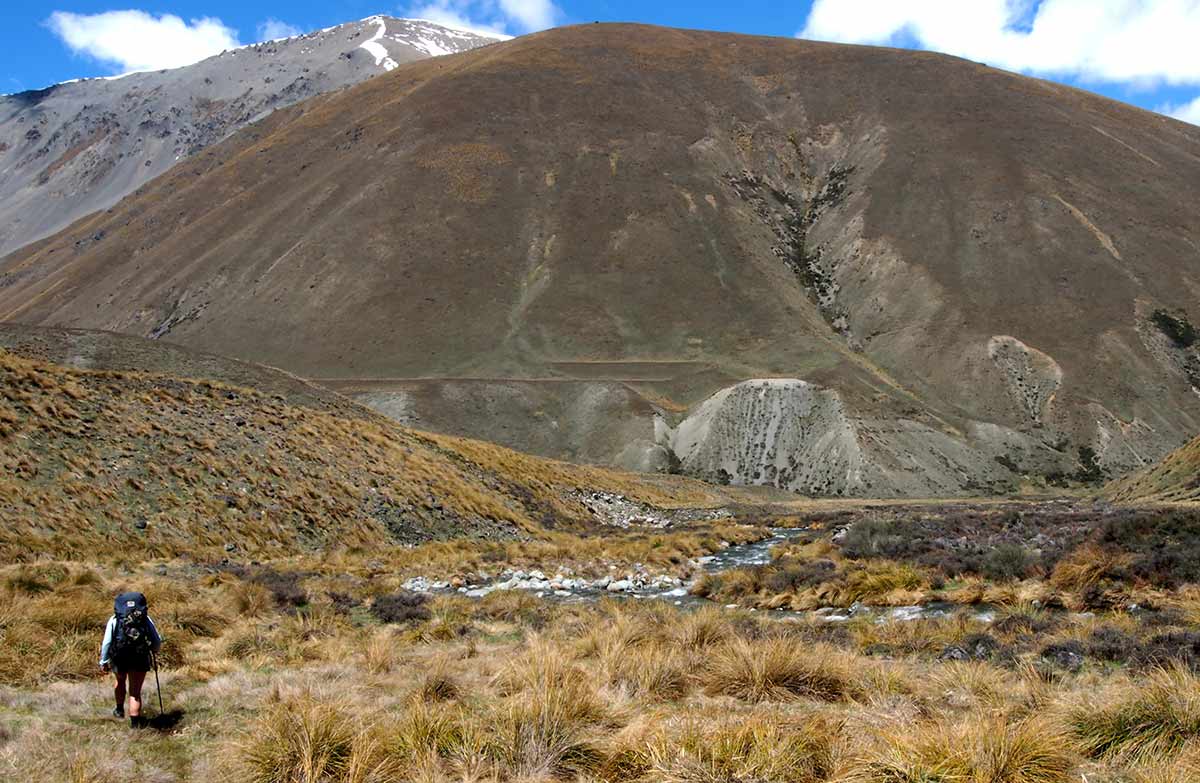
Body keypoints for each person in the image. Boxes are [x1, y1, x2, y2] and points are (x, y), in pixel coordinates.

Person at [99, 592, 162, 729]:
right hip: (139, 656)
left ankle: (119, 710)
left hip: (119, 656)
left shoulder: (115, 619)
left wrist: (103, 661)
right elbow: (156, 641)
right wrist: (154, 650)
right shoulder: (145, 619)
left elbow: (107, 642)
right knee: (135, 692)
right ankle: (135, 725)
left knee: (120, 681)